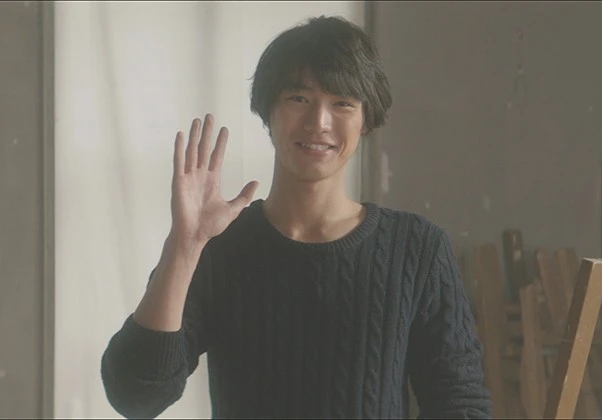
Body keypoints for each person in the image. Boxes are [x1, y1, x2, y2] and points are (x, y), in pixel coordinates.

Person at [101, 15, 492, 419]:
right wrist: (184, 246)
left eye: (342, 103)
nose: (318, 122)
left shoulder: (417, 249)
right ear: (268, 111)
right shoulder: (217, 245)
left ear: (366, 120)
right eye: (298, 99)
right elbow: (136, 397)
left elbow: (460, 403)